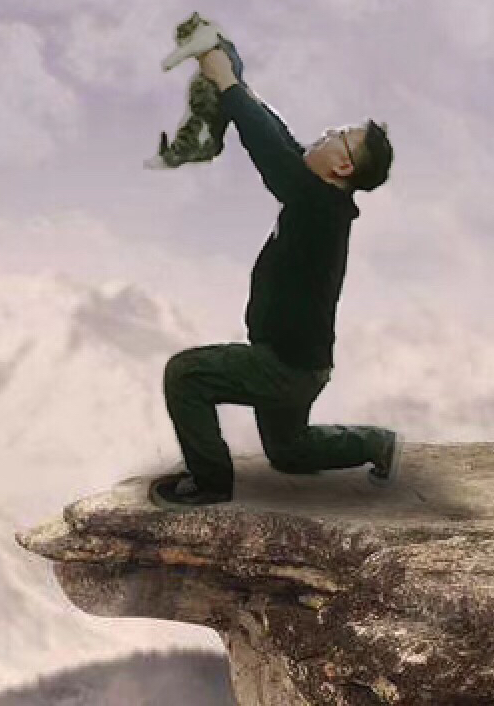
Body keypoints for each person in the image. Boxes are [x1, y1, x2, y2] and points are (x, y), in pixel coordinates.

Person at [152, 44, 400, 507]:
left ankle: (210, 484)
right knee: (288, 451)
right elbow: (282, 141)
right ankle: (376, 443)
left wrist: (228, 86)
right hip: (302, 364)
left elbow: (273, 153)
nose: (327, 133)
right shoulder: (321, 199)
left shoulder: (319, 209)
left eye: (339, 136)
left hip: (285, 368)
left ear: (343, 166)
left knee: (185, 375)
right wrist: (239, 88)